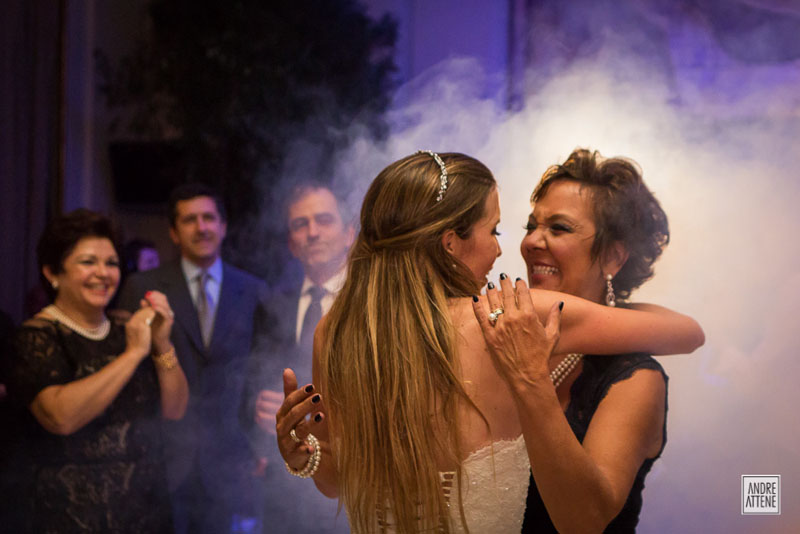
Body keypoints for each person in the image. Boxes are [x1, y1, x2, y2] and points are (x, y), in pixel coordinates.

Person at [274, 151, 704, 533]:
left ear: (614, 255)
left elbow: (332, 483)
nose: (514, 247)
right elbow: (687, 333)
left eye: (558, 228)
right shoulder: (507, 316)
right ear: (448, 244)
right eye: (503, 229)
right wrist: (308, 454)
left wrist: (305, 458)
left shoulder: (336, 332)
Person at [490, 148, 675, 532]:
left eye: (558, 229)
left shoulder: (636, 379)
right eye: (531, 226)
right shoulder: (506, 337)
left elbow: (584, 521)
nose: (532, 242)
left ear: (612, 258)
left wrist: (529, 381)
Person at [3, 208, 188, 533]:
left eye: (111, 263)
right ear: (52, 272)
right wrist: (133, 354)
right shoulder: (35, 336)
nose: (103, 273)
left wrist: (162, 344)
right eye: (88, 262)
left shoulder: (127, 326)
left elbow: (175, 410)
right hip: (72, 516)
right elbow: (60, 417)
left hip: (146, 510)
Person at [117, 184, 269, 534]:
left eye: (208, 218)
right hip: (162, 454)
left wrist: (261, 444)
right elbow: (130, 374)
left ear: (223, 226)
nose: (201, 227)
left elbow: (261, 371)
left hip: (231, 459)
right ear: (173, 231)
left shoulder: (254, 290)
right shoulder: (141, 287)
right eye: (189, 220)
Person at [247, 181, 354, 534]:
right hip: (283, 489)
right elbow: (251, 383)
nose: (312, 232)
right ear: (292, 243)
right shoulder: (272, 303)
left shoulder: (369, 302)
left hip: (351, 481)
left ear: (349, 232)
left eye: (323, 220)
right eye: (300, 224)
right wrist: (261, 413)